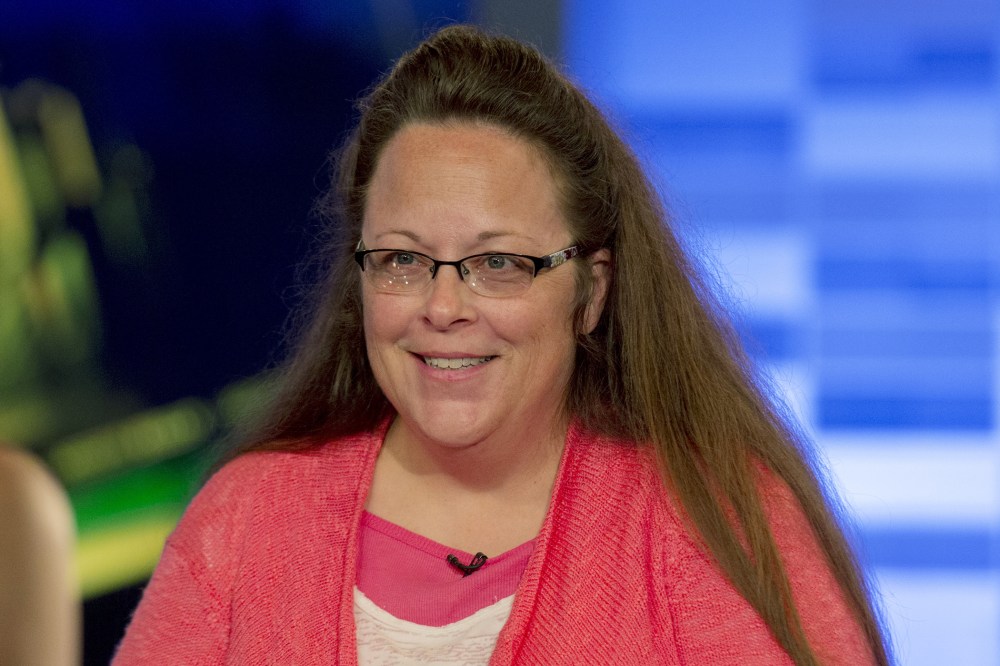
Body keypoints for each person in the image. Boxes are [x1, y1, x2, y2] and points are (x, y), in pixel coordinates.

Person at [113, 24, 891, 665]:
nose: (443, 306)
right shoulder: (245, 519)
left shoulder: (720, 520)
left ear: (591, 292)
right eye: (403, 261)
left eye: (498, 264)